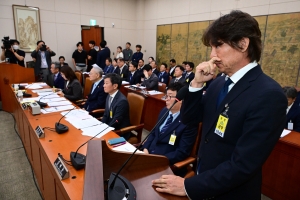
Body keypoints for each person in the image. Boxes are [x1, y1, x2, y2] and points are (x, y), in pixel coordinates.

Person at [152, 10, 287, 200]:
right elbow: (190, 119)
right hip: (204, 178)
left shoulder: (268, 95)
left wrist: (189, 186)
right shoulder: (218, 82)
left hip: (232, 192)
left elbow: (243, 165)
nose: (212, 55)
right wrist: (197, 84)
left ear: (243, 44)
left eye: (218, 46)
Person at [142, 82, 198, 177]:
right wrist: (145, 148)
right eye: (166, 95)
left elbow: (182, 152)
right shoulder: (164, 111)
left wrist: (158, 159)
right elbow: (153, 133)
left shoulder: (188, 122)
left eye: (170, 96)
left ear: (181, 100)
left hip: (166, 164)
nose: (166, 99)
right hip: (148, 155)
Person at [102, 73, 131, 139]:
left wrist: (104, 130)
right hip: (110, 127)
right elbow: (106, 114)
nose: (104, 86)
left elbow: (116, 121)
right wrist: (101, 126)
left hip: (119, 131)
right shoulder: (109, 95)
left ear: (115, 86)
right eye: (104, 83)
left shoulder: (122, 101)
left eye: (106, 83)